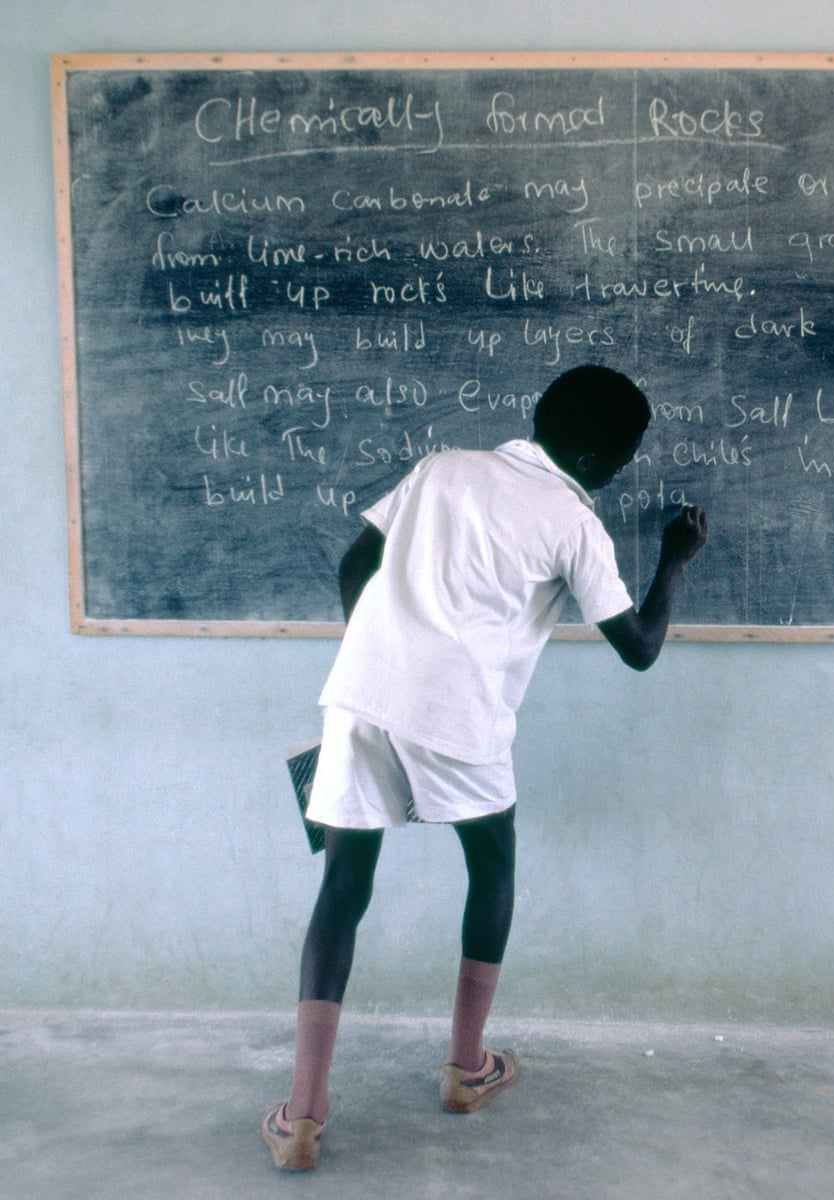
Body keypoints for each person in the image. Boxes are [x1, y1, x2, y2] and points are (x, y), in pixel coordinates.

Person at [262, 364, 708, 1171]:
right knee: (491, 864)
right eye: (625, 457)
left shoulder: (441, 468)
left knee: (342, 888)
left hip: (361, 695)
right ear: (605, 457)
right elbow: (639, 647)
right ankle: (466, 1069)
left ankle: (301, 1114)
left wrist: (378, 654)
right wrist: (675, 557)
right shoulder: (574, 521)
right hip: (460, 713)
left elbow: (352, 567)